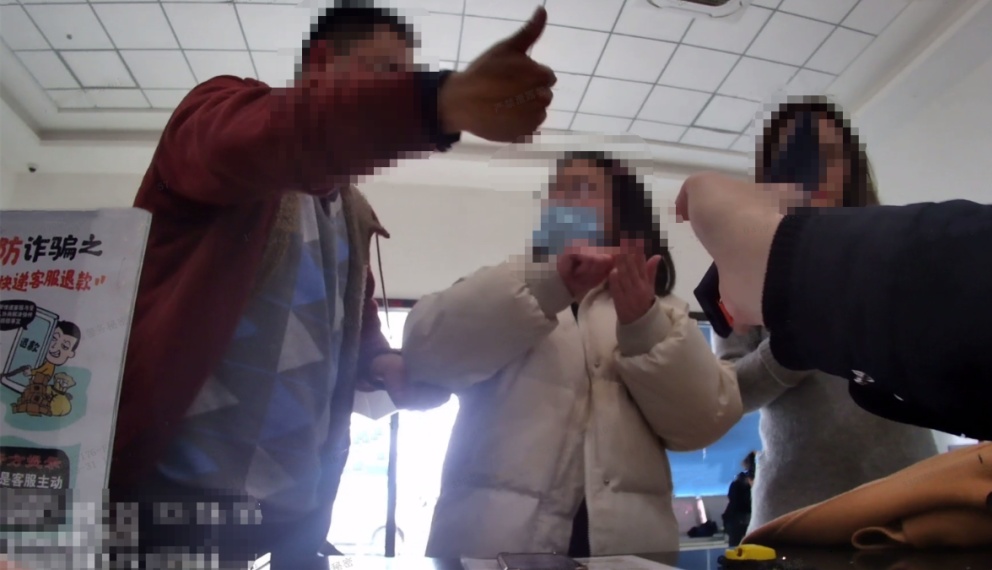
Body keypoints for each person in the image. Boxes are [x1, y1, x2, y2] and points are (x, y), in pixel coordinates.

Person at [108, 5, 557, 569]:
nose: (396, 88)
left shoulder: (351, 212)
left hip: (290, 521)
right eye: (386, 72)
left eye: (407, 76)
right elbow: (269, 135)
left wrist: (383, 364)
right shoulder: (224, 116)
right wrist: (436, 102)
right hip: (169, 509)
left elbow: (350, 330)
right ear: (321, 62)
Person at [401, 151, 742, 558]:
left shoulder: (665, 312)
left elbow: (704, 423)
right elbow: (424, 353)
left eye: (580, 189)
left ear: (622, 212)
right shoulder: (505, 286)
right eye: (554, 191)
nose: (560, 200)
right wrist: (546, 286)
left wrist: (644, 327)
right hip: (491, 554)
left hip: (627, 558)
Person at [677, 171, 992, 469]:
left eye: (822, 158)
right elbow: (731, 393)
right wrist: (788, 347)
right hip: (800, 491)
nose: (806, 174)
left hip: (913, 481)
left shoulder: (899, 244)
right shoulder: (732, 286)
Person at [711, 100, 937, 533]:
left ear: (850, 169)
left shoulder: (898, 253)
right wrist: (794, 345)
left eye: (825, 155)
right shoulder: (739, 269)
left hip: (915, 503)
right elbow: (727, 394)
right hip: (796, 514)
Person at [720, 451, 755, 545]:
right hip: (740, 519)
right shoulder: (740, 484)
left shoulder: (738, 483)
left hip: (738, 519)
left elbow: (733, 500)